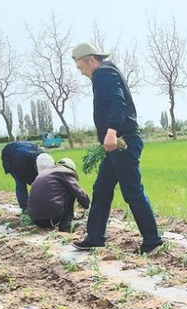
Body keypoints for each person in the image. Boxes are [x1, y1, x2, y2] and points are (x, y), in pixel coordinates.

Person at [70, 43, 163, 253]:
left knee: (132, 191)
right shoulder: (105, 72)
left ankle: (152, 241)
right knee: (101, 189)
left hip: (123, 141)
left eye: (81, 68)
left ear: (91, 59)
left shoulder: (103, 73)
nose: (82, 73)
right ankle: (94, 237)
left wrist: (111, 131)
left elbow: (117, 101)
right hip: (115, 145)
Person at [27, 158, 90, 232]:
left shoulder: (46, 172)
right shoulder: (65, 172)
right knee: (70, 190)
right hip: (52, 218)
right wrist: (85, 203)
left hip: (35, 219)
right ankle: (65, 224)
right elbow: (78, 192)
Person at [1, 141, 54, 211]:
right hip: (10, 156)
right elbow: (22, 176)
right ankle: (24, 207)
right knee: (20, 183)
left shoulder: (46, 158)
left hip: (25, 151)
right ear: (35, 166)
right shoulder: (20, 160)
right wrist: (34, 184)